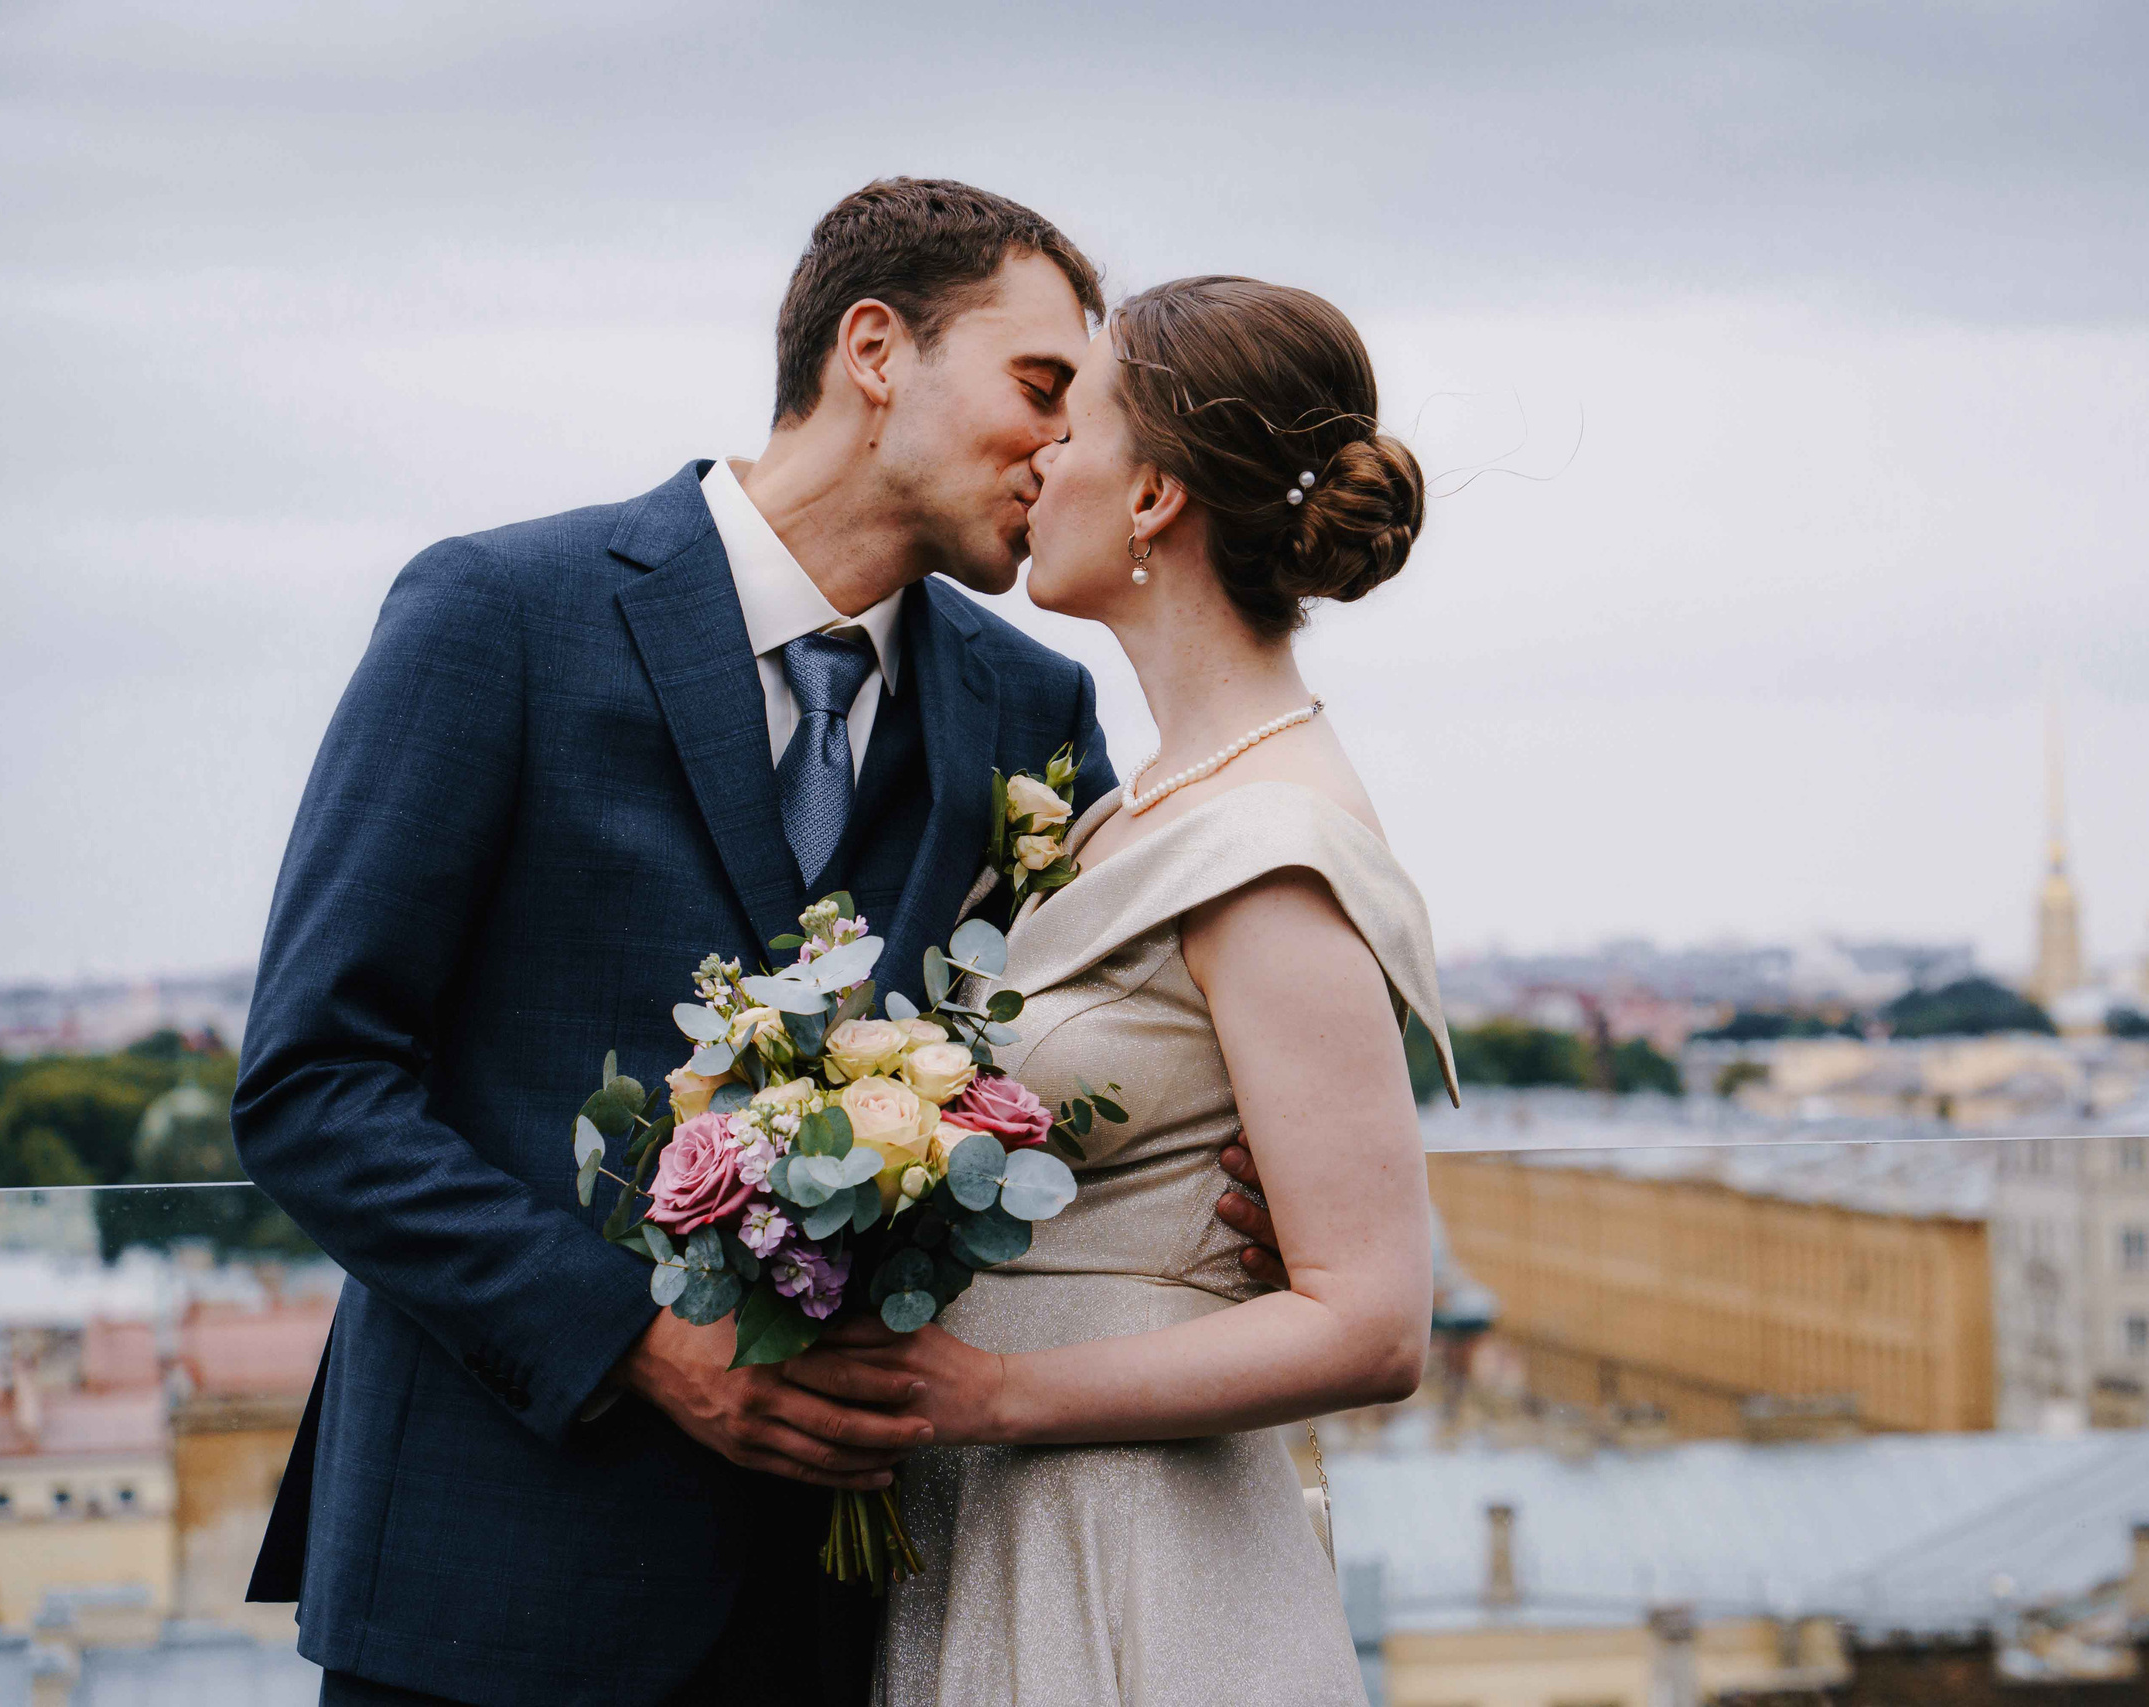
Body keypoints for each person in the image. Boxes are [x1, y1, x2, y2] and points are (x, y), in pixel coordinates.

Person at [230, 182, 1282, 1707]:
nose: (1066, 449)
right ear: (875, 350)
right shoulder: (501, 616)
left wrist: (1230, 1186)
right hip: (489, 1589)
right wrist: (635, 1341)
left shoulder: (1031, 709)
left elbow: (1113, 1043)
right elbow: (313, 1086)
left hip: (852, 1605)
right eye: (1041, 387)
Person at [846, 275, 1461, 1706]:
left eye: (1079, 423)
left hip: (1134, 1553)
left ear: (1153, 499)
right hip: (1019, 1512)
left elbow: (1372, 1323)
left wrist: (989, 1393)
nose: (1041, 456)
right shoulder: (1144, 810)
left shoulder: (1271, 849)